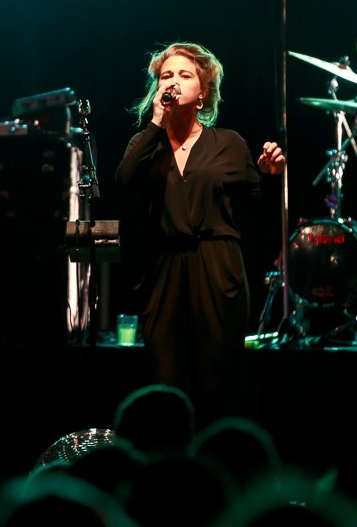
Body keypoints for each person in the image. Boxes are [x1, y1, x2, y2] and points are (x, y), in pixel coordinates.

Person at [114, 41, 285, 426]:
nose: (172, 82)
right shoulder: (145, 145)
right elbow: (124, 182)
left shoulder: (229, 143)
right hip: (164, 271)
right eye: (165, 76)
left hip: (217, 268)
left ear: (203, 91)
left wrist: (271, 177)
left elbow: (259, 213)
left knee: (217, 384)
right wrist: (156, 122)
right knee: (165, 384)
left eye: (184, 75)